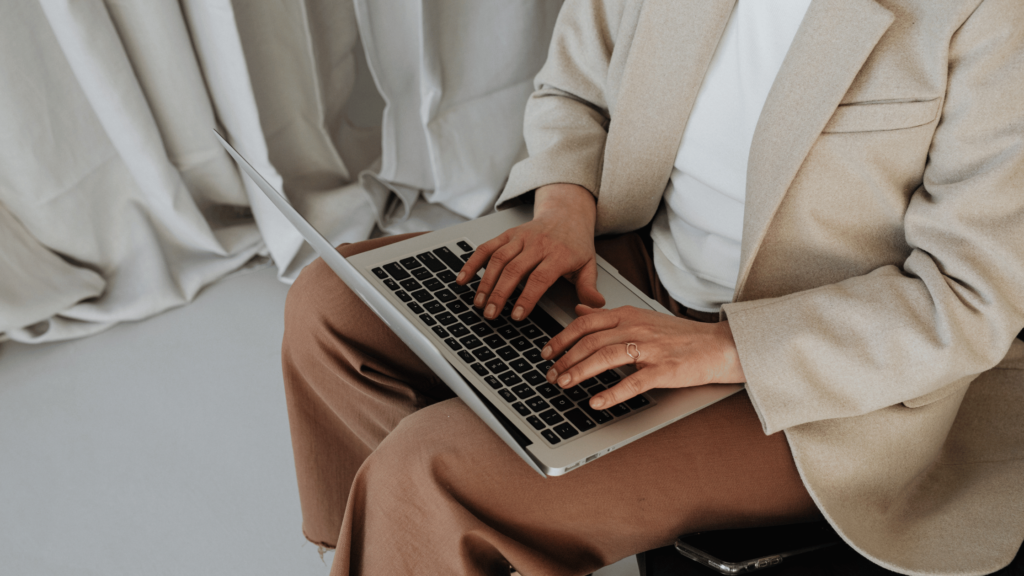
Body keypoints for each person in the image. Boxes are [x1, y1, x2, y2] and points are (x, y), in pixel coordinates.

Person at [281, 0, 1024, 574]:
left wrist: (718, 347)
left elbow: (967, 297)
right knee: (333, 304)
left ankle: (425, 527)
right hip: (639, 268)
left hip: (812, 389)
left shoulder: (987, 17)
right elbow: (574, 84)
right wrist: (563, 210)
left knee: (431, 465)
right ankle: (398, 548)